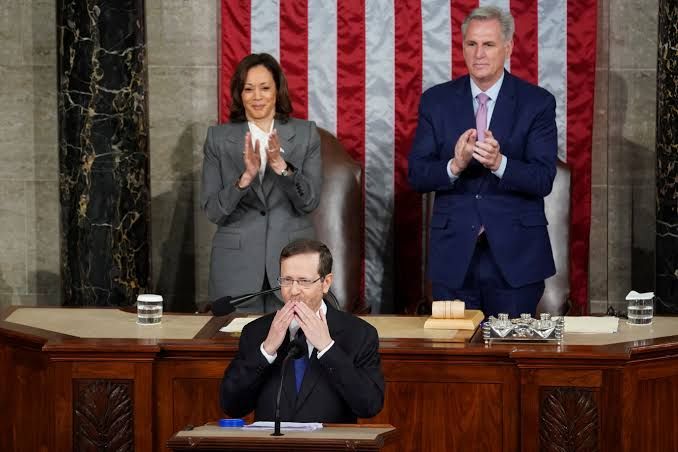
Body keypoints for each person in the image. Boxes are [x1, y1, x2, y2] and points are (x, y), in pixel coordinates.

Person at [408, 6, 558, 318]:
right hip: (454, 257)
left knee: (511, 356)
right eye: (471, 44)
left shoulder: (537, 103)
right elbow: (417, 174)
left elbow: (543, 178)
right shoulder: (436, 101)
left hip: (516, 257)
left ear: (508, 47)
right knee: (458, 361)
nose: (479, 54)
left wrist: (500, 163)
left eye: (488, 44)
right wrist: (455, 165)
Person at [201, 53, 322, 313]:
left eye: (265, 88)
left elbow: (310, 202)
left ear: (277, 91)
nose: (257, 96)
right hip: (236, 269)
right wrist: (244, 180)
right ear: (239, 94)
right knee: (237, 348)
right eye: (248, 89)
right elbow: (212, 210)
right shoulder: (218, 138)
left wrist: (282, 168)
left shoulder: (305, 134)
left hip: (294, 266)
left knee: (295, 348)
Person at [220, 239, 384, 423]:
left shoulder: (359, 334)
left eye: (304, 281)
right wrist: (266, 351)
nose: (294, 291)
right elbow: (232, 406)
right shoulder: (256, 332)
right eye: (287, 280)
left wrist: (327, 348)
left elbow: (369, 406)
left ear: (326, 282)